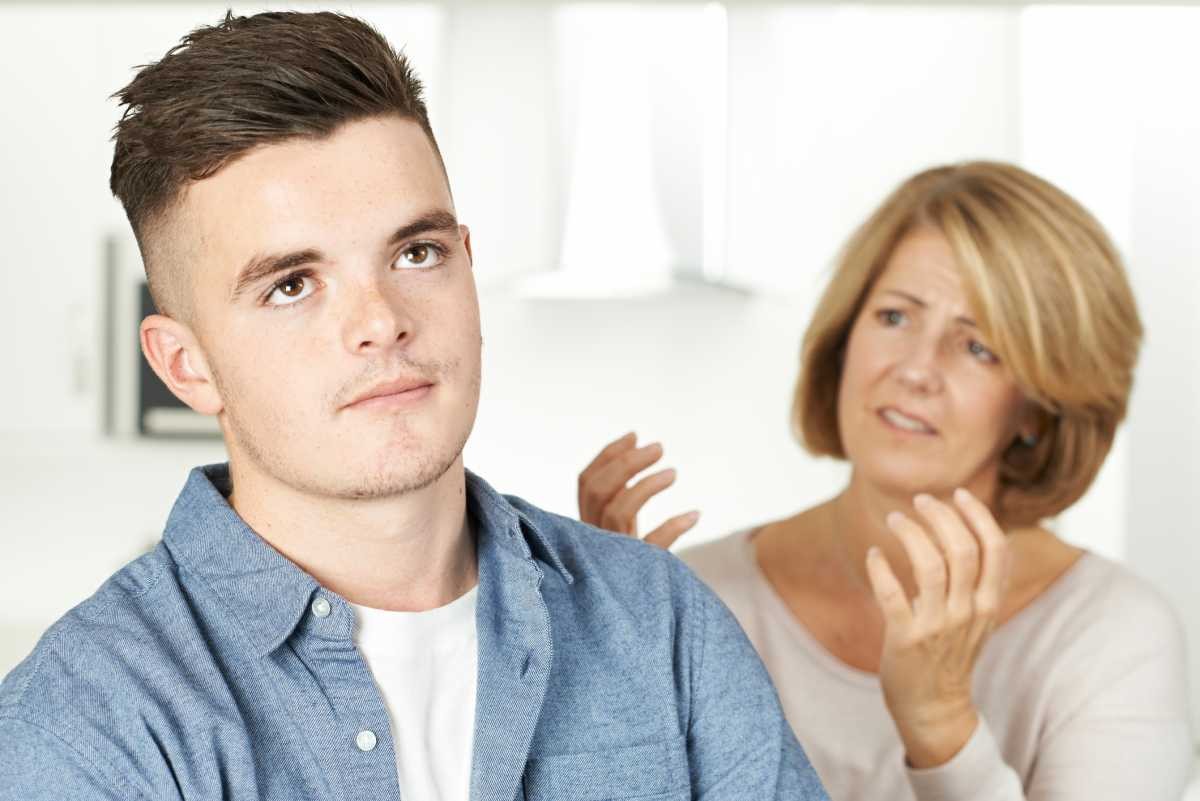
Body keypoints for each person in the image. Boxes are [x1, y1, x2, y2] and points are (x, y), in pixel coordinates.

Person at [0, 11, 829, 801]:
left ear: (467, 262)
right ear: (186, 366)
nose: (381, 322)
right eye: (292, 284)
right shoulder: (87, 723)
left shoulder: (659, 622)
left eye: (416, 251)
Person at [578, 161, 1194, 800]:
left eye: (979, 346)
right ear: (845, 337)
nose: (916, 370)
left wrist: (942, 724)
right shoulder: (703, 597)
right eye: (895, 317)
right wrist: (614, 672)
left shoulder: (1115, 636)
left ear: (1038, 407)